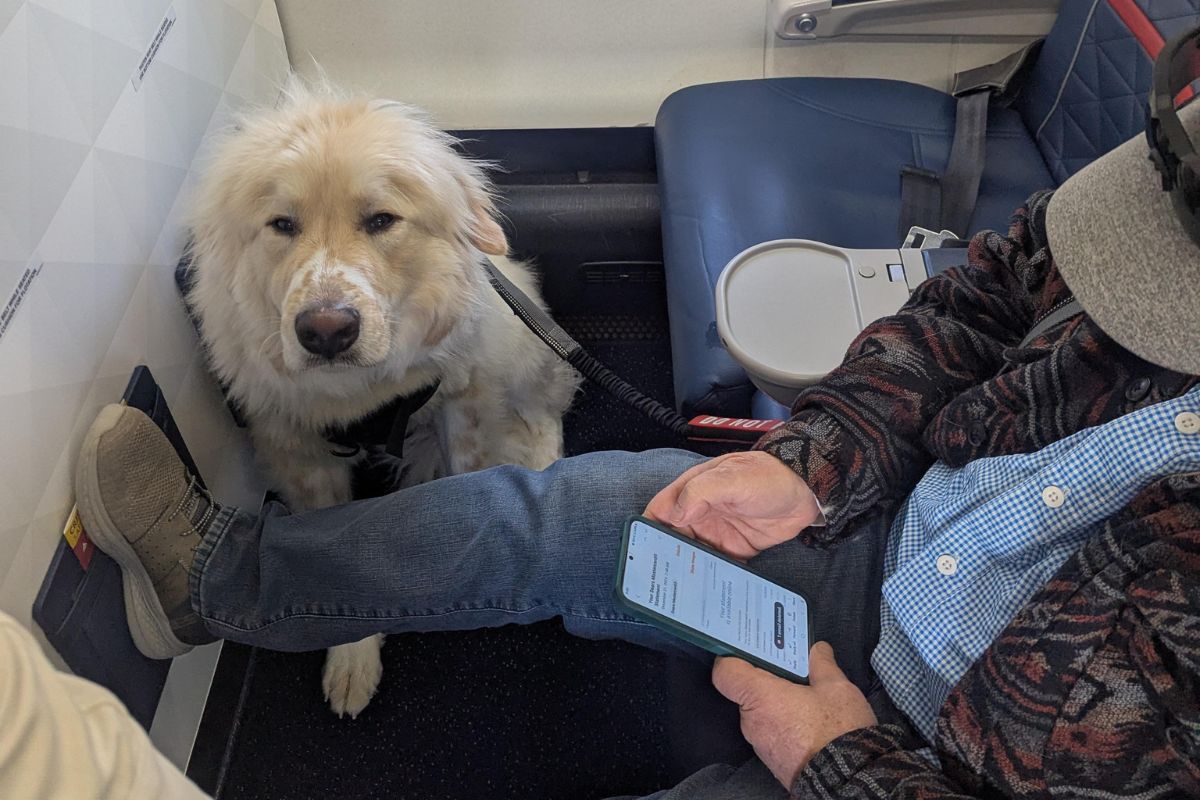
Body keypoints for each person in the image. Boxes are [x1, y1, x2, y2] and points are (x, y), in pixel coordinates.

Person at [8, 43, 1200, 800]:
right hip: (887, 543)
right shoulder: (1155, 193)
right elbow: (984, 298)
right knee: (557, 513)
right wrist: (817, 458)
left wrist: (844, 759)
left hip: (963, 760)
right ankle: (213, 581)